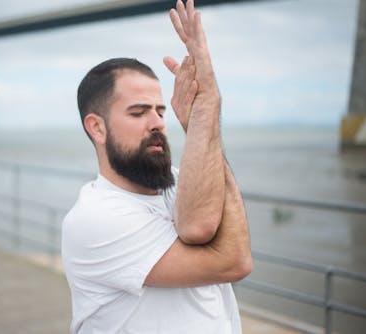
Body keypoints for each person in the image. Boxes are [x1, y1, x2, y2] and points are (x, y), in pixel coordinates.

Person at [61, 0, 252, 333]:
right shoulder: (95, 218)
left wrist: (199, 124)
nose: (158, 123)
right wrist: (208, 106)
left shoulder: (179, 182)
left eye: (161, 112)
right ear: (97, 128)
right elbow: (233, 259)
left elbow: (197, 225)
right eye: (138, 113)